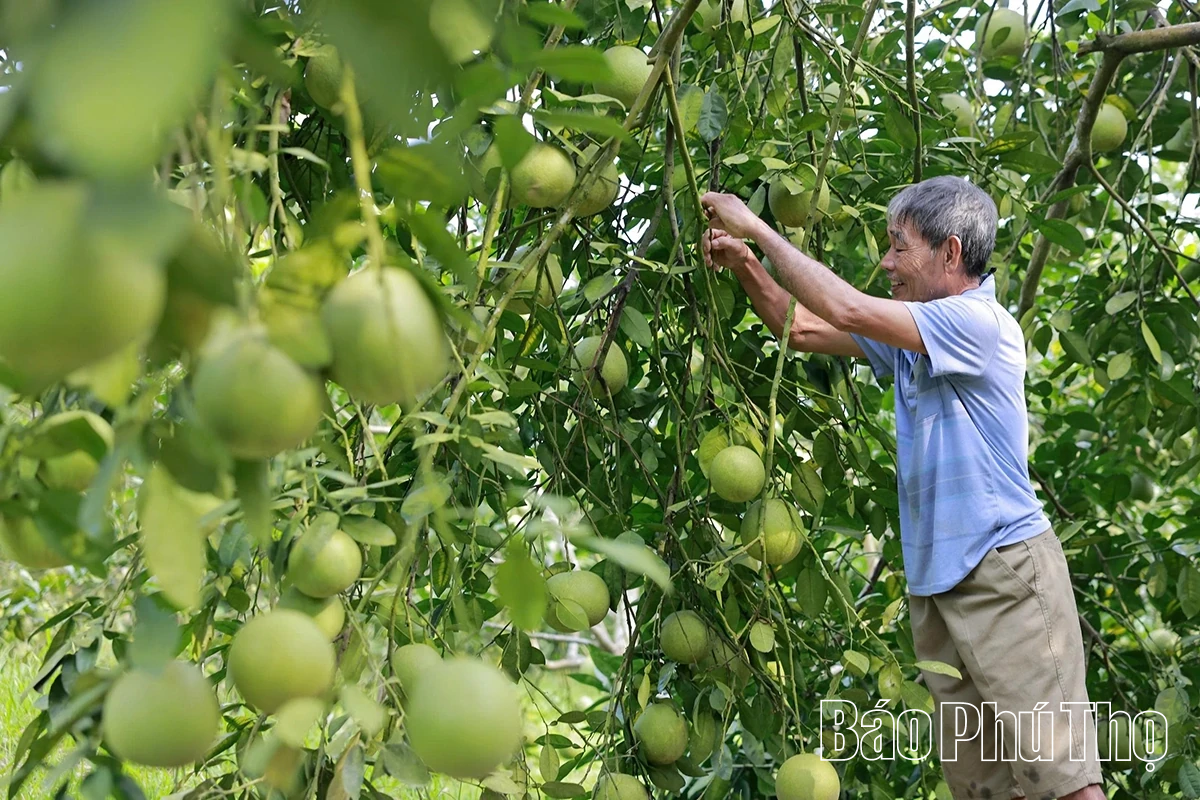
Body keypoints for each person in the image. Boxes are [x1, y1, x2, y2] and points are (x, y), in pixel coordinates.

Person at [700, 176, 1105, 800]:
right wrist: (747, 264)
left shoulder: (976, 323)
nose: (885, 263)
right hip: (937, 583)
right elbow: (801, 327)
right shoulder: (916, 340)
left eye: (898, 246)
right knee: (987, 790)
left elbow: (849, 310)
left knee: (1063, 783)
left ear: (949, 252)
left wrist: (757, 227)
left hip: (1003, 571)